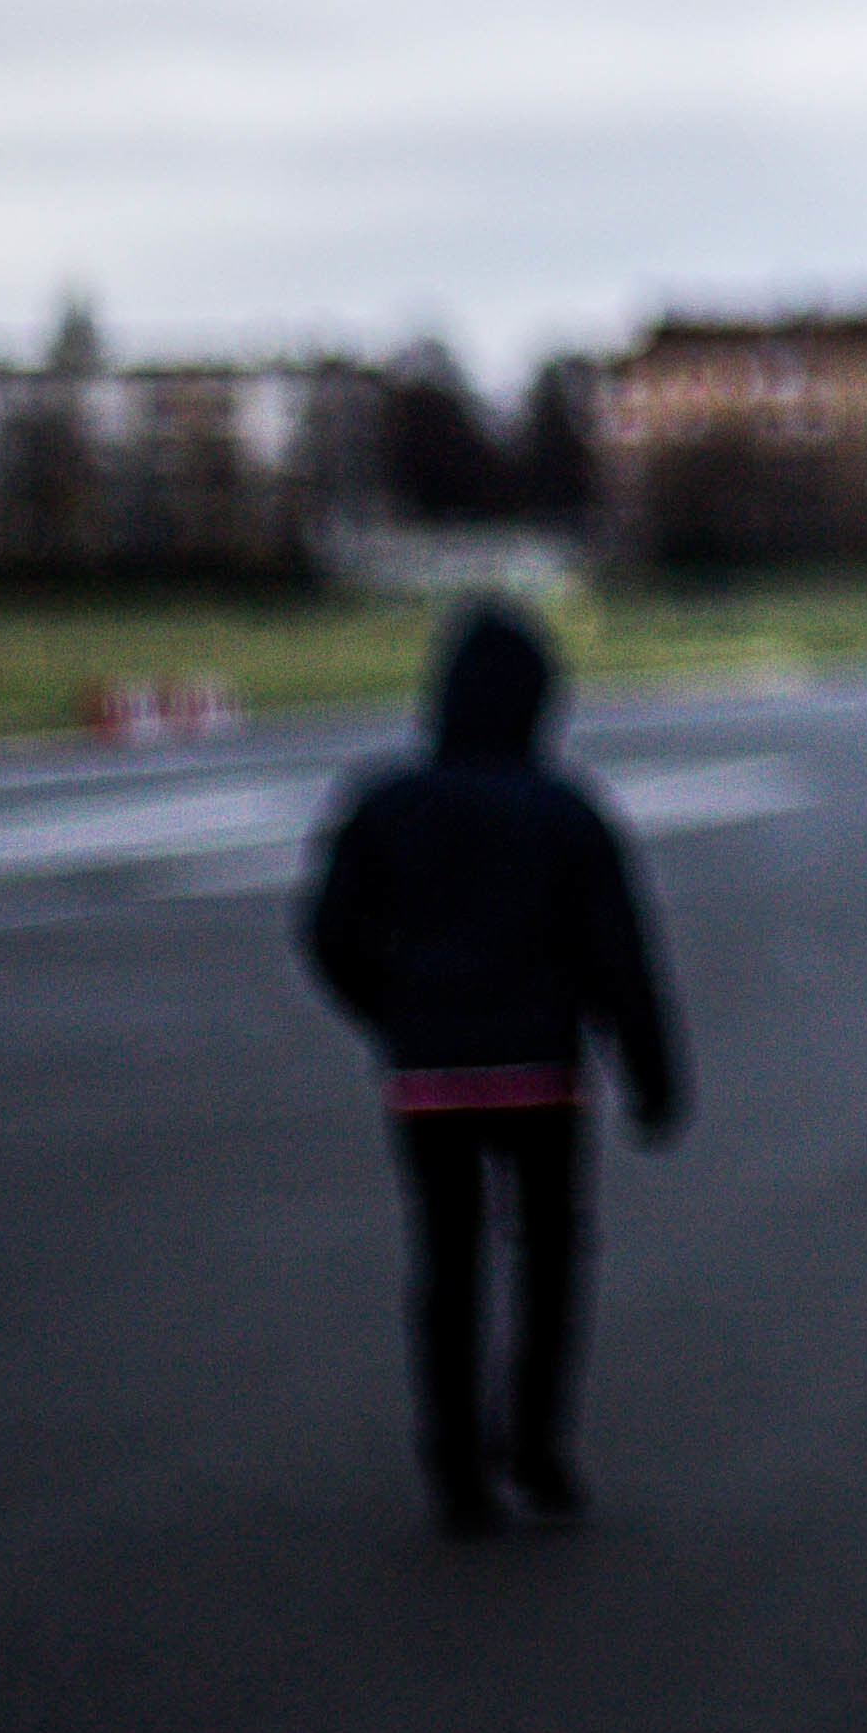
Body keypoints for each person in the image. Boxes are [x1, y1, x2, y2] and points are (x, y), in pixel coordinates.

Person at [304, 600, 685, 1536]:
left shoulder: (384, 802)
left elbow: (327, 934)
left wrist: (392, 1013)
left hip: (427, 1073)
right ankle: (539, 1450)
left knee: (446, 1260)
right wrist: (649, 1071)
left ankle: (455, 1469)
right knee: (550, 1258)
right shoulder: (566, 811)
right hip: (540, 1072)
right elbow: (618, 955)